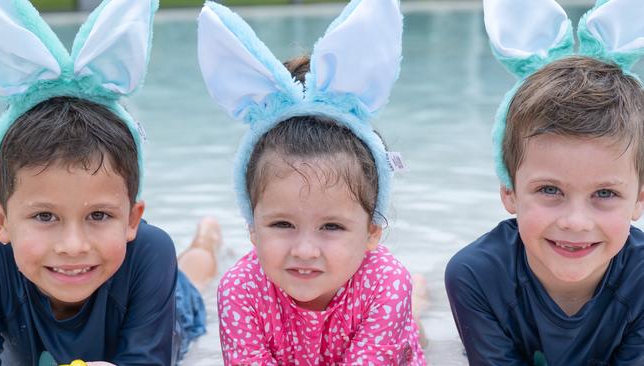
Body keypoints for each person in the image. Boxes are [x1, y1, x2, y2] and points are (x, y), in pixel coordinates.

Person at [197, 0, 426, 364]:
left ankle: (418, 303)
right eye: (282, 224)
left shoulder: (385, 284)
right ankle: (206, 238)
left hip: (390, 339)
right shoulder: (241, 289)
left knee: (413, 319)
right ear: (252, 227)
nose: (304, 250)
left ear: (371, 232)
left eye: (332, 226)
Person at [0, 0, 215, 364]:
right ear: (1, 221)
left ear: (131, 218)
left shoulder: (149, 253)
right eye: (45, 216)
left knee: (197, 273)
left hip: (172, 307)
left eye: (98, 215)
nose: (73, 246)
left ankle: (207, 238)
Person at [445, 0, 644, 365]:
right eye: (550, 190)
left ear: (639, 199)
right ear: (509, 189)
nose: (575, 221)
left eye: (605, 193)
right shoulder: (475, 276)